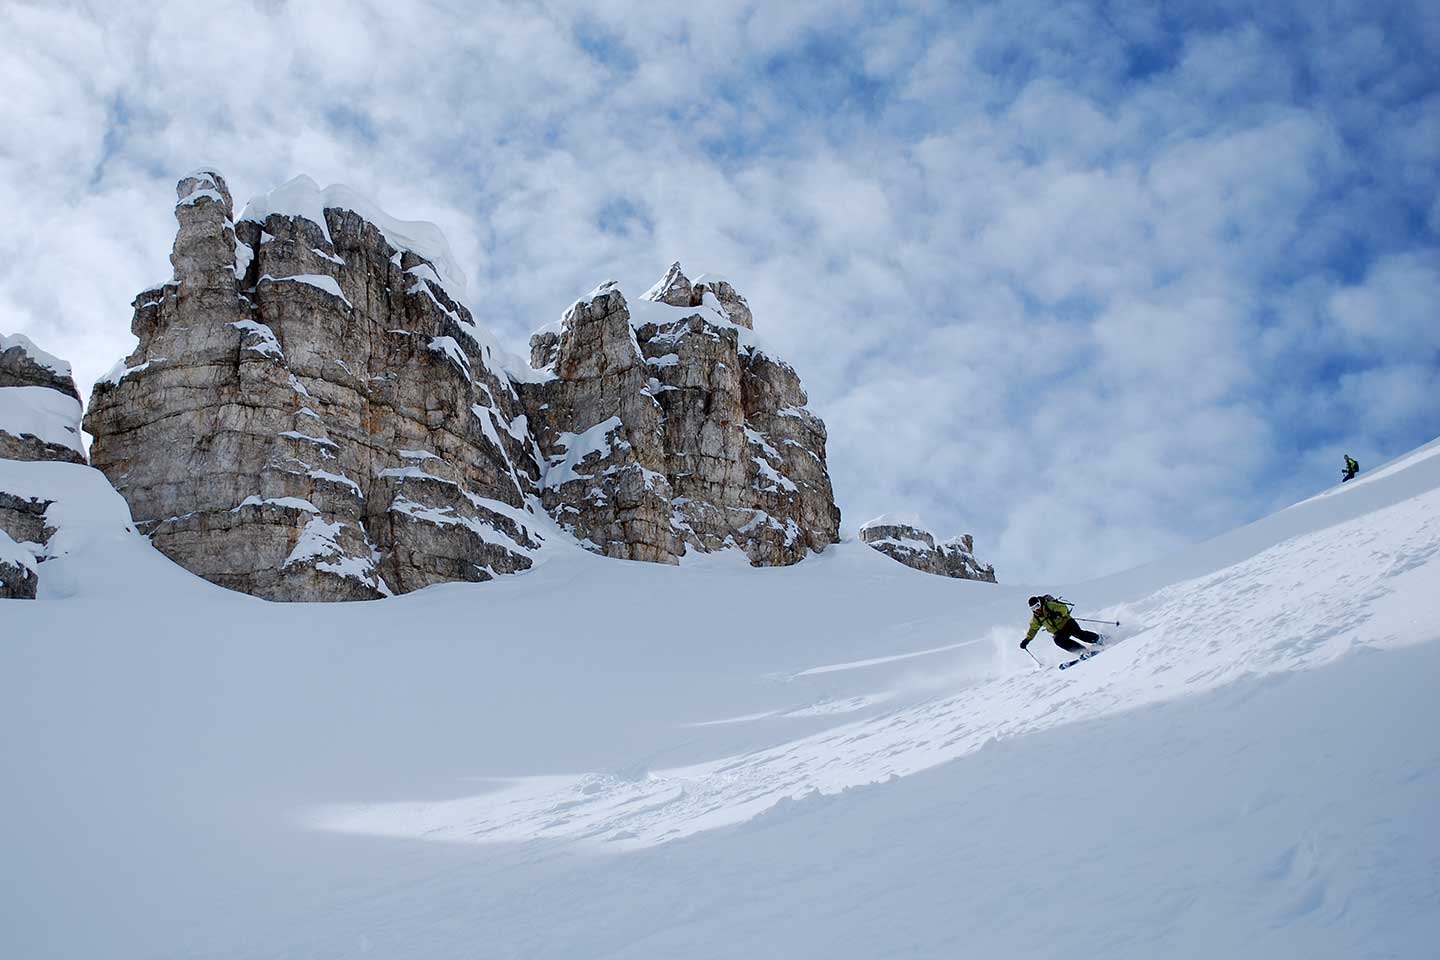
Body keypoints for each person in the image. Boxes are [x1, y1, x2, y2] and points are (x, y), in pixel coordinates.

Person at [1020, 595, 1102, 656]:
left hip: (1067, 623)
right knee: (1059, 641)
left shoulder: (1049, 605)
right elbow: (1033, 629)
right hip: (1059, 632)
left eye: (1037, 606)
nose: (1036, 610)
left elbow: (1063, 608)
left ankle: (1099, 639)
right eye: (1033, 608)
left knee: (1079, 634)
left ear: (1040, 604)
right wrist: (1027, 640)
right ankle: (1082, 651)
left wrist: (1057, 614)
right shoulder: (1036, 618)